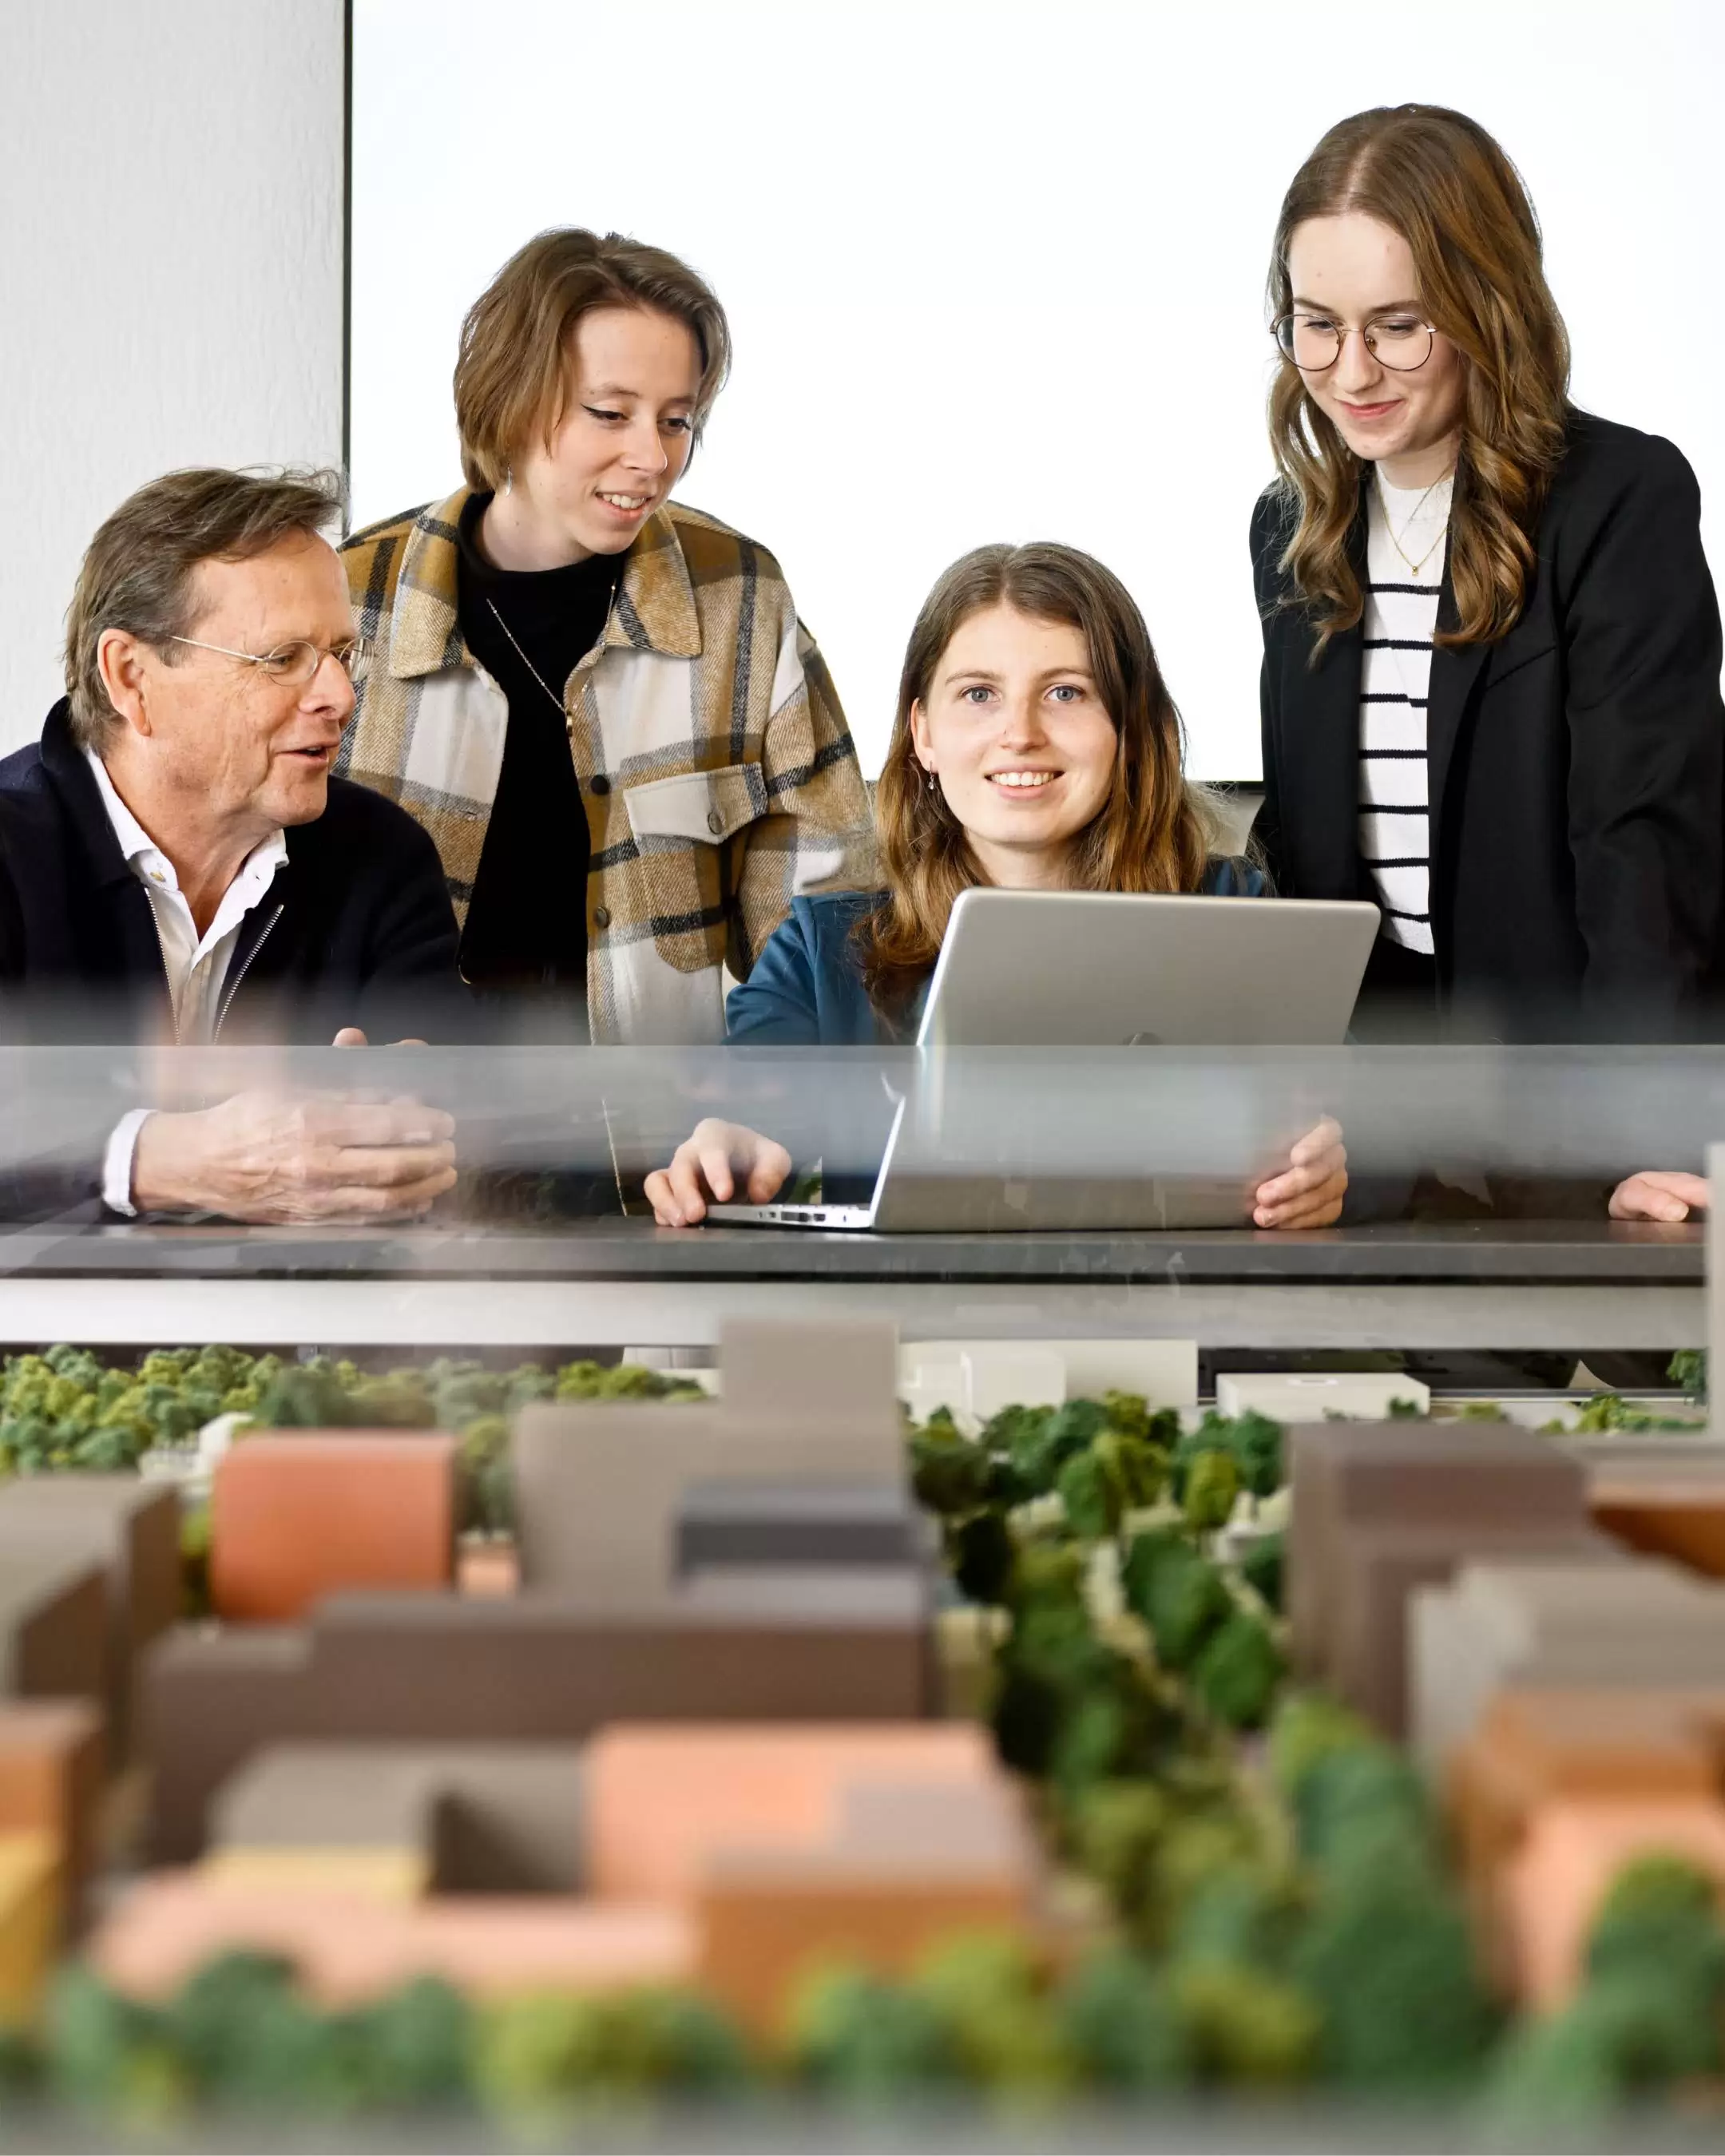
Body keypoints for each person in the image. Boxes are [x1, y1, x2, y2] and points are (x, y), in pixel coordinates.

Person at [1251, 102, 1724, 1225]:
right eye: (1316, 325)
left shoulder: (1618, 501)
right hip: (1376, 1130)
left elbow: (1644, 852)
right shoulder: (1288, 530)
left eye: (1399, 325)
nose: (1351, 370)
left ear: (1486, 306)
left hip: (1574, 1106)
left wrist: (1640, 1142)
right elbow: (1311, 852)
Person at [645, 541, 1348, 1229]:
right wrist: (725, 1148)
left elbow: (1339, 1127)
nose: (1020, 733)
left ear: (1131, 729)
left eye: (1066, 692)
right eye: (979, 694)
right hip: (911, 1306)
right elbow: (747, 1114)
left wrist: (1326, 1175)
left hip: (1177, 1301)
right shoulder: (819, 948)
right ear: (924, 734)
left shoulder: (1234, 912)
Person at [339, 228, 874, 1044]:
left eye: (676, 420)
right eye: (610, 414)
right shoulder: (352, 601)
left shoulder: (741, 597)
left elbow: (824, 908)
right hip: (401, 1113)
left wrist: (770, 1090)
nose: (652, 457)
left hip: (652, 1120)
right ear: (511, 399)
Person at [0, 466, 462, 1222]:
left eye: (341, 654)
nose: (340, 698)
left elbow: (445, 1129)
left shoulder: (383, 856)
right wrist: (157, 1161)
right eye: (282, 659)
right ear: (131, 677)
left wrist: (409, 1125)